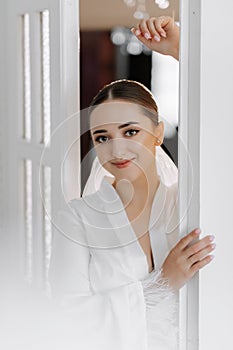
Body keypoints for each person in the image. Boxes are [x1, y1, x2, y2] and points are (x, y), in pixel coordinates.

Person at [48, 16, 215, 350]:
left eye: (130, 131)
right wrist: (164, 282)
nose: (117, 148)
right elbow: (66, 320)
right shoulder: (77, 219)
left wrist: (182, 49)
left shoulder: (192, 204)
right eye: (102, 137)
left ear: (157, 132)